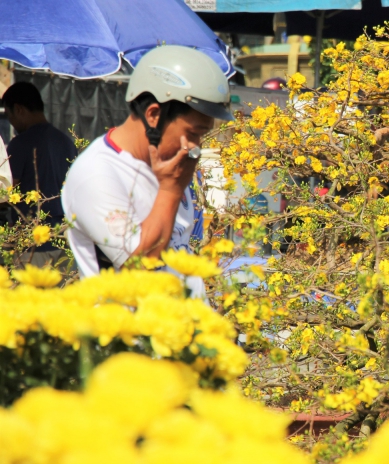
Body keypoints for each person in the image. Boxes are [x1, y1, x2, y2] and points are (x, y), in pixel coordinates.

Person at [61, 45, 233, 297]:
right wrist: (170, 191)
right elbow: (141, 267)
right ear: (153, 114)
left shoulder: (169, 166)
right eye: (193, 134)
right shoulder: (97, 174)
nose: (195, 147)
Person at [2, 82, 77, 266]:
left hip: (31, 246)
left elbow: (8, 193)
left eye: (10, 115)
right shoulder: (66, 142)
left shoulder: (20, 144)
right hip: (65, 241)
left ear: (19, 110)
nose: (11, 122)